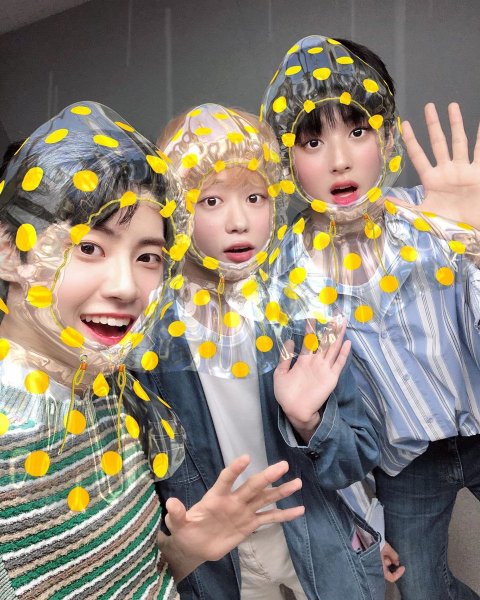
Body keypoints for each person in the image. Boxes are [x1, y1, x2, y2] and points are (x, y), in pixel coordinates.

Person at [0, 101, 305, 600]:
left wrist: (184, 551)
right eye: (89, 247)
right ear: (10, 249)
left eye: (147, 257)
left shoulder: (111, 392)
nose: (125, 287)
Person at [262, 34, 480, 600]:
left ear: (386, 137)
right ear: (286, 157)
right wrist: (362, 517)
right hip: (404, 465)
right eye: (313, 140)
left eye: (357, 131)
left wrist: (477, 244)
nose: (339, 159)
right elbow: (321, 405)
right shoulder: (284, 272)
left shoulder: (440, 211)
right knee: (423, 591)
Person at [138, 102, 384, 600]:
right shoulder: (149, 338)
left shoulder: (301, 312)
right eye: (210, 201)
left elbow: (356, 457)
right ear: (176, 210)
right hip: (218, 561)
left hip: (315, 541)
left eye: (255, 197)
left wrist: (309, 422)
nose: (239, 222)